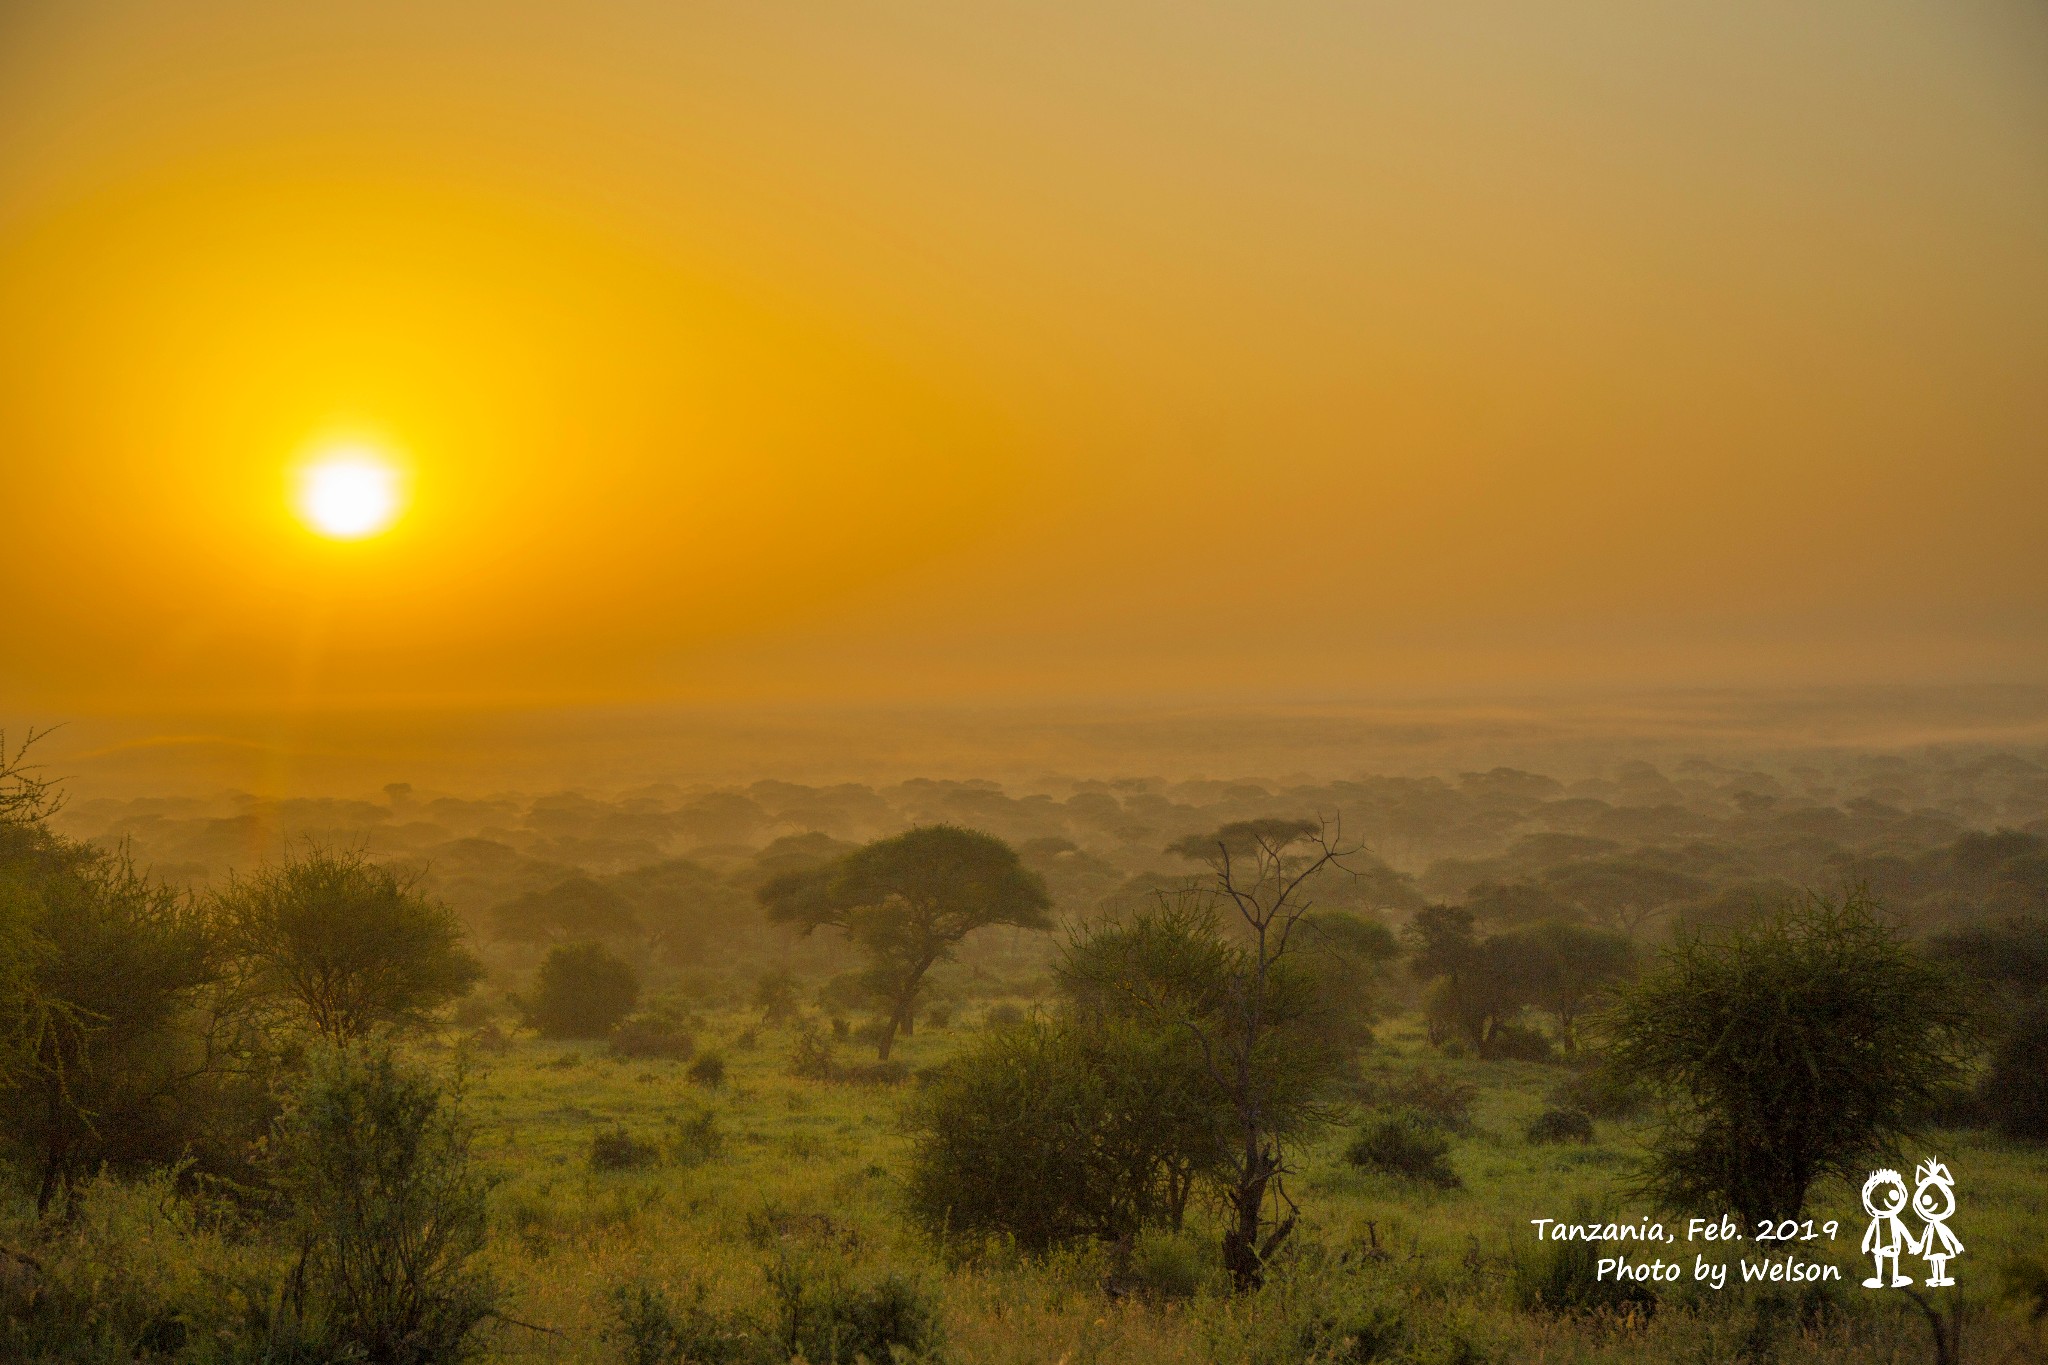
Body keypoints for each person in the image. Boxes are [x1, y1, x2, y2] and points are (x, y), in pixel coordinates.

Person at [1912, 1158, 1963, 1287]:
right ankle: (1936, 1277)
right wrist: (1920, 1245)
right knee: (1935, 1260)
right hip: (1933, 1245)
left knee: (1941, 1260)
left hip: (1940, 1245)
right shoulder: (1931, 1226)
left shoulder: (1939, 1225)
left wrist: (1956, 1243)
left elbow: (1948, 1233)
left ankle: (1941, 1277)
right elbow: (1925, 1235)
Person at [1860, 1169, 1913, 1288]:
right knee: (1880, 1259)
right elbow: (1870, 1231)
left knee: (1893, 1259)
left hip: (1892, 1244)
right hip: (1880, 1245)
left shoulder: (1893, 1219)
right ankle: (1879, 1279)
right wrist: (1865, 1243)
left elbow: (1903, 1229)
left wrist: (1911, 1242)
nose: (1885, 1201)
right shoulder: (1877, 1220)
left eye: (1893, 1196)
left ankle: (1895, 1278)